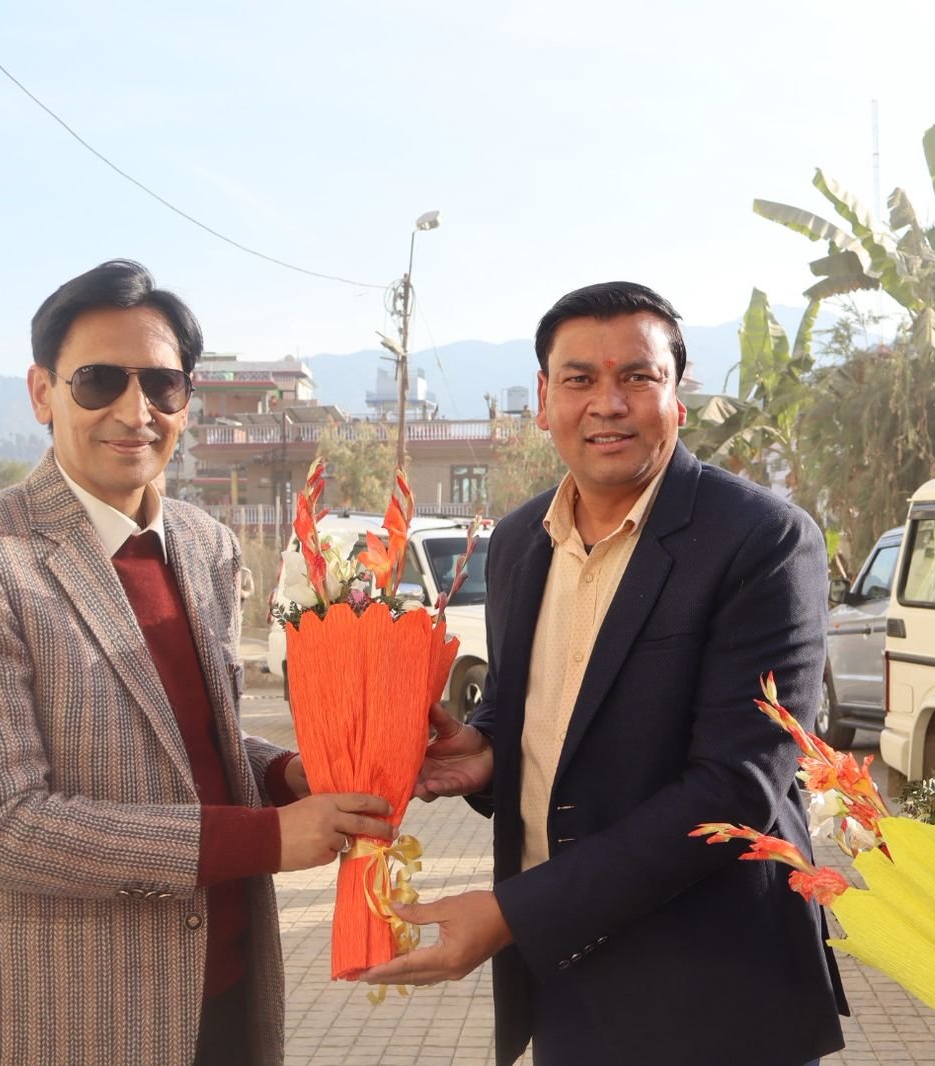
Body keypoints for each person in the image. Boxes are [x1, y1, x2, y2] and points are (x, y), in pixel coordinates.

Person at [0, 260, 394, 1066]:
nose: (135, 412)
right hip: (73, 1023)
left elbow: (191, 740)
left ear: (186, 402)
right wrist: (267, 838)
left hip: (227, 1001)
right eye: (99, 381)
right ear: (42, 392)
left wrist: (288, 776)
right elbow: (1, 827)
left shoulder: (205, 544)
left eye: (162, 385)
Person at [360, 281, 847, 1065]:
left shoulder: (763, 540)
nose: (607, 404)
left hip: (719, 990)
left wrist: (512, 913)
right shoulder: (519, 541)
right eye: (580, 379)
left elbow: (735, 786)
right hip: (566, 977)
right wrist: (488, 750)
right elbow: (535, 704)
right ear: (544, 399)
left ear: (677, 395)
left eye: (637, 377)